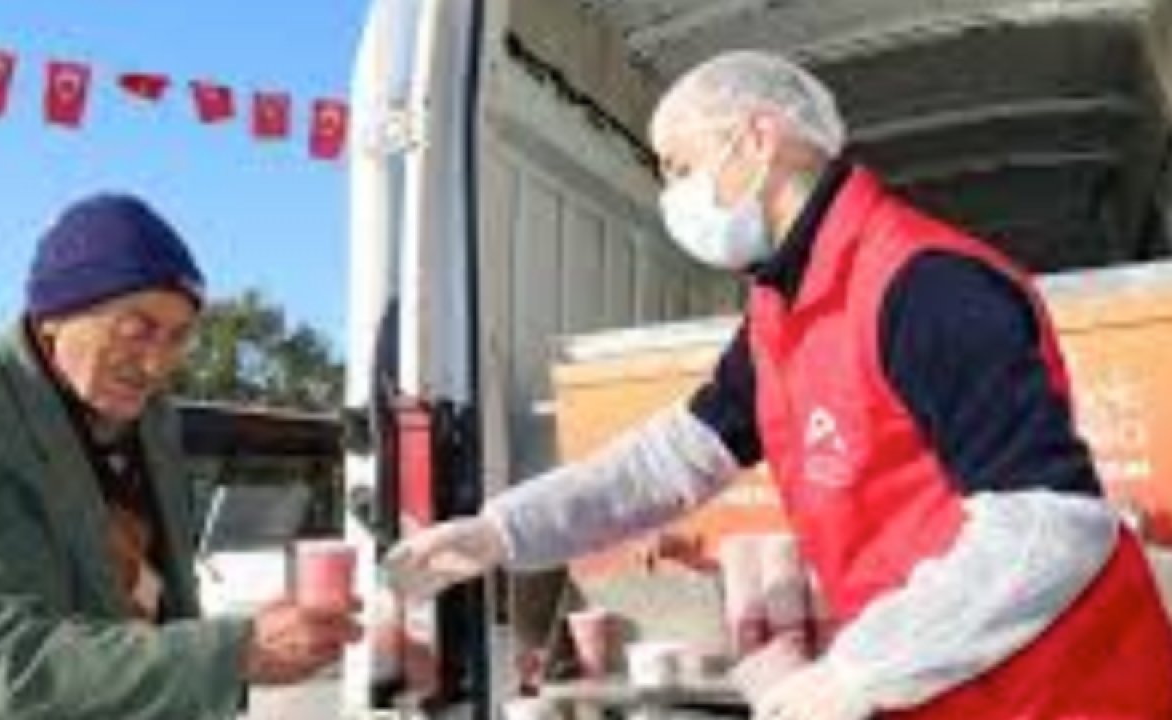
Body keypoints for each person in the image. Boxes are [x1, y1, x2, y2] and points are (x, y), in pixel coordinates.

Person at [384, 51, 1172, 719]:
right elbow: (671, 461)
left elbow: (1049, 528)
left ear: (758, 139)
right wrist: (500, 531)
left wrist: (854, 672)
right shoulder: (781, 308)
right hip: (940, 679)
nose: (672, 197)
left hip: (1062, 688)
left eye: (681, 166)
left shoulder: (923, 285)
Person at [0, 194, 360, 719]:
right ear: (55, 319)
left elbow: (168, 595)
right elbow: (14, 664)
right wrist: (234, 652)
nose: (156, 364)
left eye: (178, 337)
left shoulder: (153, 417)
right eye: (135, 332)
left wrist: (251, 643)